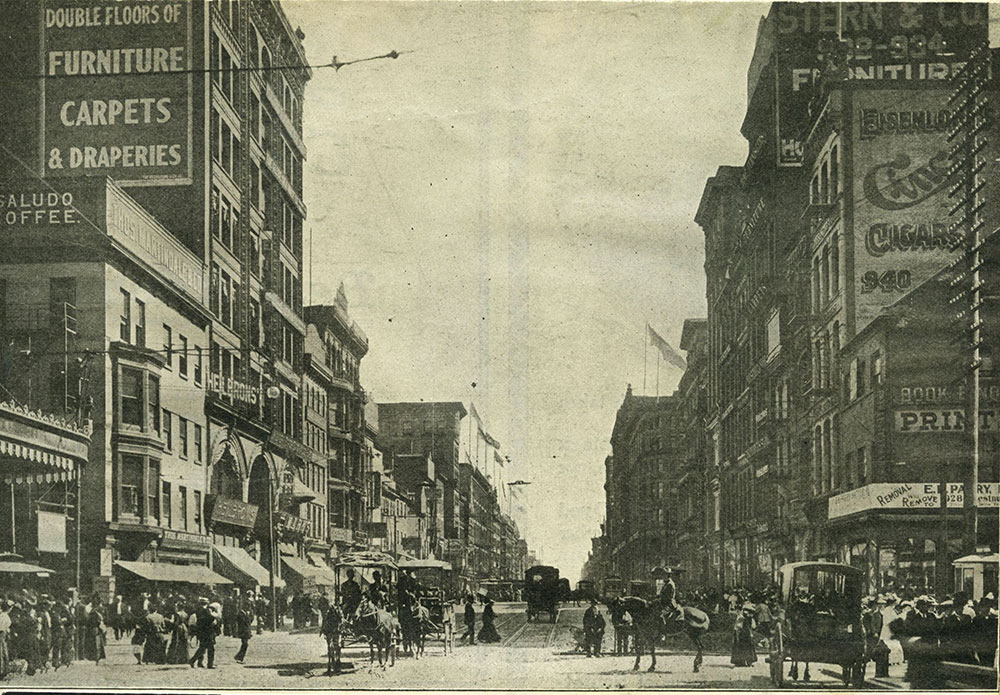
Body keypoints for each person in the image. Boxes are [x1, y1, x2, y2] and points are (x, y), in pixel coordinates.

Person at [189, 597, 218, 669]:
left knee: (202, 648)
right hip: (207, 631)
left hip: (201, 631)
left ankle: (195, 661)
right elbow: (208, 618)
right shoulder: (205, 610)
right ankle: (209, 664)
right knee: (210, 648)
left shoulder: (198, 610)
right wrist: (214, 616)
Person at [321, 600, 344, 674]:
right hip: (333, 631)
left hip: (334, 631)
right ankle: (334, 665)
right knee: (334, 648)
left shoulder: (332, 613)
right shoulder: (332, 613)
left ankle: (333, 665)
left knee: (332, 648)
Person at [731, 601, 757, 667]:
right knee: (742, 647)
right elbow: (738, 626)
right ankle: (741, 661)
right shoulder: (741, 617)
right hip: (742, 633)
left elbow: (753, 626)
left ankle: (748, 661)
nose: (747, 613)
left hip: (746, 634)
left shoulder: (748, 618)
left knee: (747, 647)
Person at [234, 598, 254, 664]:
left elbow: (251, 619)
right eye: (247, 606)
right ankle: (239, 657)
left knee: (245, 644)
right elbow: (241, 621)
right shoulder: (241, 613)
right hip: (242, 631)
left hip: (247, 630)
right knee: (245, 644)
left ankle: (238, 657)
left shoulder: (249, 613)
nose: (248, 607)